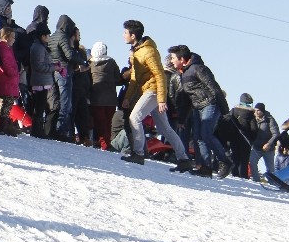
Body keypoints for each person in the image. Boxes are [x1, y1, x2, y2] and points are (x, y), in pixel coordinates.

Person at [119, 20, 192, 172]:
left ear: (133, 35)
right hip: (149, 90)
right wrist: (127, 98)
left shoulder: (148, 51)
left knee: (135, 118)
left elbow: (160, 75)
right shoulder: (136, 51)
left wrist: (161, 99)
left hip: (153, 90)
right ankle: (184, 158)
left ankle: (138, 153)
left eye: (125, 32)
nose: (123, 35)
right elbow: (134, 78)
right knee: (165, 128)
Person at [168, 45, 233, 178]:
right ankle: (205, 167)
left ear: (182, 59)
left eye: (173, 58)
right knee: (198, 138)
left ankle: (225, 161)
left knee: (206, 134)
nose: (171, 61)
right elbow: (186, 99)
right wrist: (182, 119)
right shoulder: (183, 73)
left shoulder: (198, 68)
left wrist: (225, 110)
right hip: (197, 107)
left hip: (210, 104)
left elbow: (214, 88)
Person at [48, 15, 86, 142]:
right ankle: (61, 131)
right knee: (66, 104)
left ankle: (54, 128)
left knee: (57, 102)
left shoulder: (52, 36)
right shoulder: (63, 36)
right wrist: (82, 61)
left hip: (53, 71)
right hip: (64, 71)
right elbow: (69, 55)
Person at [89, 42, 120, 151]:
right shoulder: (111, 62)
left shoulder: (90, 63)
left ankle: (102, 142)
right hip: (111, 97)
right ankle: (107, 143)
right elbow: (118, 78)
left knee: (99, 122)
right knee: (108, 122)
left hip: (96, 97)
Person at [28, 24, 57, 138]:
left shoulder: (41, 47)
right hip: (40, 81)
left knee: (41, 106)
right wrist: (54, 67)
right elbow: (39, 65)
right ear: (43, 36)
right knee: (39, 107)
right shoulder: (38, 48)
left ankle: (38, 130)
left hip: (43, 80)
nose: (49, 38)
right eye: (48, 35)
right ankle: (36, 130)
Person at [0, 26, 21, 135]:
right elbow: (6, 63)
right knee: (5, 104)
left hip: (9, 80)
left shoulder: (6, 48)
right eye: (13, 37)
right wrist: (13, 73)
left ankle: (4, 124)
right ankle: (3, 126)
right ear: (7, 37)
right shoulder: (3, 48)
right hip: (7, 80)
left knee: (6, 104)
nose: (14, 40)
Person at [249, 103, 280, 183]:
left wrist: (269, 143)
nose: (256, 112)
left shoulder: (269, 119)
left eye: (258, 110)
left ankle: (272, 183)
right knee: (252, 162)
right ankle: (256, 180)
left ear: (262, 111)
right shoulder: (253, 119)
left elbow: (276, 133)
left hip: (268, 149)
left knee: (270, 168)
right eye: (255, 110)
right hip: (256, 147)